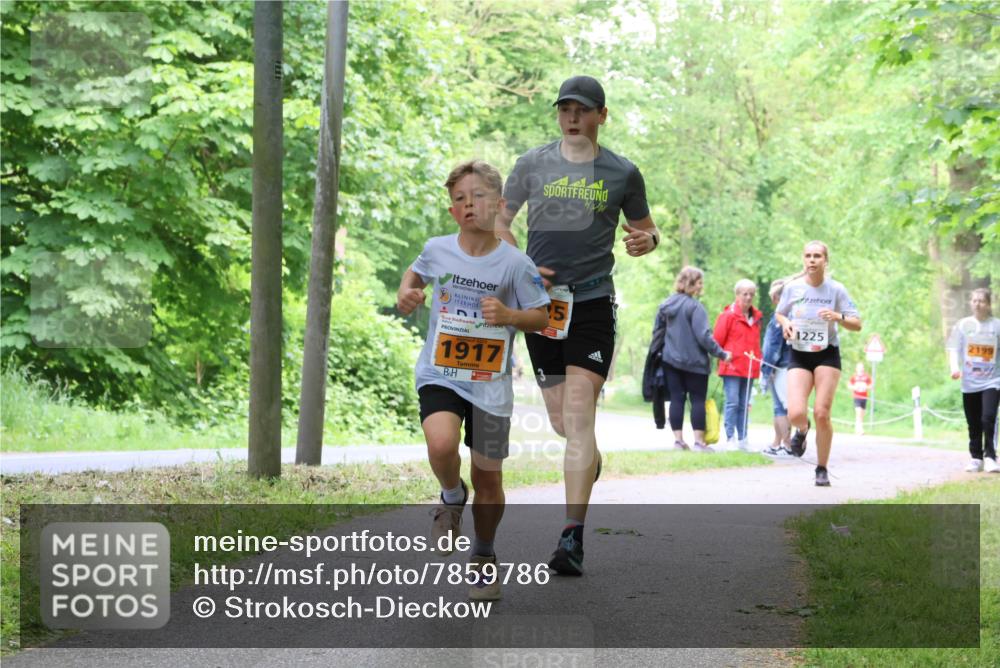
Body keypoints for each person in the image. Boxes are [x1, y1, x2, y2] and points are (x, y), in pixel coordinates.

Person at [495, 75, 660, 575]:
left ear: (601, 115)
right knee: (563, 424)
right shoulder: (531, 163)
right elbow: (500, 221)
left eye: (583, 109)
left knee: (579, 412)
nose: (572, 117)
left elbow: (648, 230)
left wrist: (647, 241)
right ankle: (588, 461)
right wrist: (518, 264)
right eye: (565, 108)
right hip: (542, 307)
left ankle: (571, 536)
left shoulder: (622, 172)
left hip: (591, 303)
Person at [397, 160, 550, 599]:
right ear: (452, 211)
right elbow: (415, 273)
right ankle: (450, 495)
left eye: (478, 196)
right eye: (460, 199)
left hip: (490, 384)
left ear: (499, 204)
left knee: (489, 480)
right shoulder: (437, 249)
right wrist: (406, 292)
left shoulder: (516, 264)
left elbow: (541, 316)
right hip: (441, 372)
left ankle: (483, 555)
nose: (469, 205)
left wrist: (510, 315)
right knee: (441, 443)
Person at [775, 241, 862, 486]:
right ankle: (802, 430)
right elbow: (780, 313)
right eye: (808, 256)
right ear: (803, 259)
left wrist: (837, 316)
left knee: (822, 413)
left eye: (817, 256)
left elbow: (857, 323)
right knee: (795, 413)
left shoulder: (836, 289)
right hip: (799, 353)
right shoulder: (792, 288)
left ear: (826, 261)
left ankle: (821, 468)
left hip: (827, 353)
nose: (812, 260)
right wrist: (786, 323)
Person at [655, 266, 732, 452]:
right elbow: (704, 336)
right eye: (699, 282)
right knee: (697, 400)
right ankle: (698, 442)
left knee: (676, 399)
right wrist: (722, 354)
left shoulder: (666, 305)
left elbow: (657, 332)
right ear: (690, 283)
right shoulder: (695, 307)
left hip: (670, 360)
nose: (701, 286)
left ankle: (678, 441)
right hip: (695, 363)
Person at [946, 288, 1000, 473]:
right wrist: (954, 368)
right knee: (974, 421)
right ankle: (976, 458)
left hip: (993, 380)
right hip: (969, 382)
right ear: (970, 303)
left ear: (988, 305)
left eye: (981, 301)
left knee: (988, 418)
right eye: (974, 300)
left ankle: (990, 457)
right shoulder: (963, 325)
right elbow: (953, 348)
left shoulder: (997, 326)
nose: (977, 304)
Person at [713, 279, 763, 451]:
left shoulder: (757, 318)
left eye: (751, 294)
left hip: (749, 368)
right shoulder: (727, 316)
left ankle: (743, 439)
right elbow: (716, 341)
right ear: (737, 295)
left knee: (744, 405)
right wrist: (724, 357)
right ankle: (730, 438)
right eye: (745, 294)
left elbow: (756, 344)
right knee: (733, 402)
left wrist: (759, 362)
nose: (748, 297)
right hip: (731, 368)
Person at [760, 275, 797, 458]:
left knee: (782, 408)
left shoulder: (779, 319)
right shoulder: (794, 316)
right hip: (792, 365)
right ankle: (777, 443)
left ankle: (788, 445)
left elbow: (772, 349)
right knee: (781, 406)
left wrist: (767, 369)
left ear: (776, 297)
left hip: (780, 367)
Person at [847, 362, 872, 436]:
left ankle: (857, 428)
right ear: (856, 369)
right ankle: (860, 430)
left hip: (864, 397)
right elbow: (849, 385)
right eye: (859, 367)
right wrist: (854, 387)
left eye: (862, 367)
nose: (861, 369)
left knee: (862, 414)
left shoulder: (866, 377)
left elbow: (871, 385)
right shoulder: (854, 377)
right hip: (857, 397)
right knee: (858, 413)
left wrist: (866, 387)